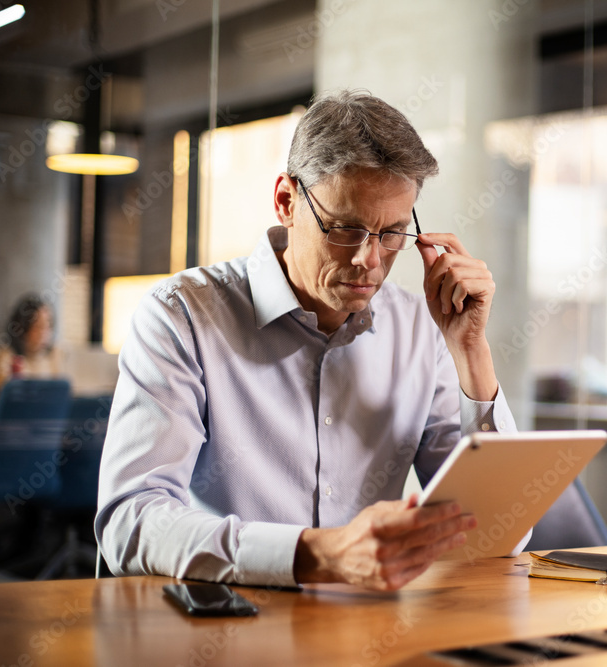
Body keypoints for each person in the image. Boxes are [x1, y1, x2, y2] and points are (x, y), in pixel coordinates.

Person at [95, 90, 518, 591]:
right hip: (223, 629)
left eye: (392, 234)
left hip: (368, 634)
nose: (369, 259)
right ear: (286, 201)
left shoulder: (420, 331)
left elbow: (499, 532)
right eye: (345, 229)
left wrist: (471, 352)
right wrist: (315, 555)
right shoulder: (183, 315)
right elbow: (131, 522)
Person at [0, 294, 64, 391]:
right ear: (22, 330)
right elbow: (6, 387)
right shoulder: (5, 356)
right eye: (39, 326)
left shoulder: (53, 356)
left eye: (49, 326)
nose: (45, 333)